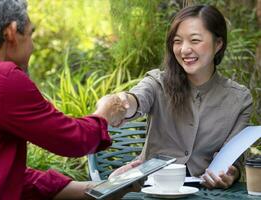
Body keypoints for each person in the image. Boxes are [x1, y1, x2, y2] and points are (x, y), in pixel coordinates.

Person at [0, 0, 129, 199]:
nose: (33, 46)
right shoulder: (2, 78)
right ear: (11, 32)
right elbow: (73, 140)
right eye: (30, 34)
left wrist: (104, 188)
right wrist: (105, 113)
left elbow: (9, 178)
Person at [108, 4, 253, 189]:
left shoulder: (239, 99)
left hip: (204, 191)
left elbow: (234, 159)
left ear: (218, 44)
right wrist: (124, 103)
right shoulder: (157, 82)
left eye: (194, 40)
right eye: (177, 41)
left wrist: (231, 174)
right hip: (152, 189)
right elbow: (136, 99)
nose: (184, 50)